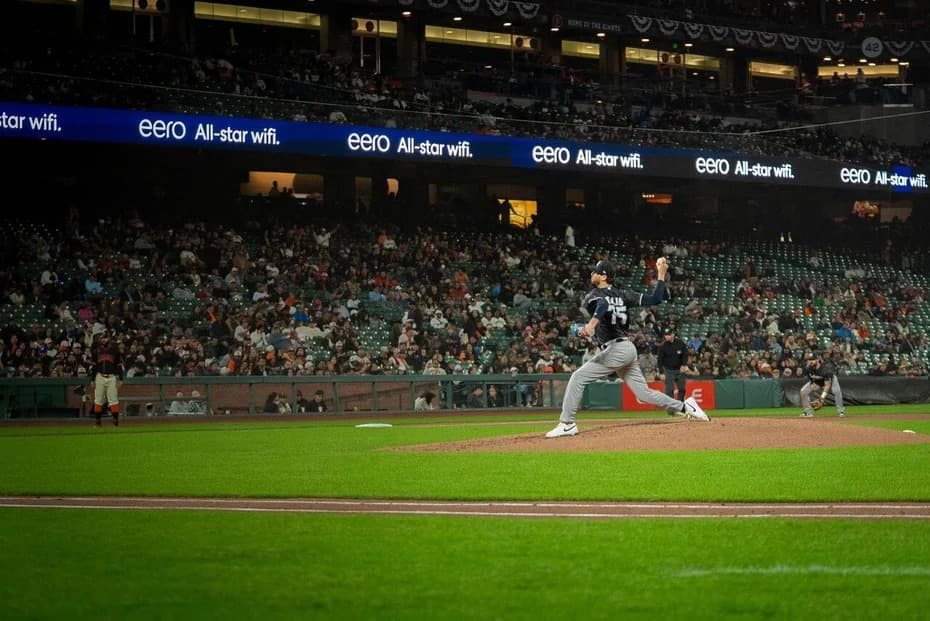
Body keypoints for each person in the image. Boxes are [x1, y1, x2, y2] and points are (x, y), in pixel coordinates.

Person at [546, 258, 709, 438]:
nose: (592, 273)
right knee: (644, 394)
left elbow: (603, 304)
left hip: (616, 350)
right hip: (627, 349)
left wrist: (590, 325)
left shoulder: (594, 294)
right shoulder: (624, 294)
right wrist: (661, 274)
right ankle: (686, 406)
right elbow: (656, 298)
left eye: (595, 271)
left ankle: (567, 423)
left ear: (604, 276)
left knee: (578, 377)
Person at [89, 331, 124, 427]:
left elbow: (119, 365)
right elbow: (94, 367)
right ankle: (98, 422)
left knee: (113, 400)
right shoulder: (96, 350)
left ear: (109, 338)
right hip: (99, 376)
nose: (104, 340)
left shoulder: (115, 350)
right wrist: (92, 379)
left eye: (105, 338)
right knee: (98, 400)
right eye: (102, 338)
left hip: (112, 377)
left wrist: (121, 378)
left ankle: (115, 422)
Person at [657, 326, 689, 416]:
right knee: (669, 390)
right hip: (668, 370)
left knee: (682, 389)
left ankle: (680, 407)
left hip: (679, 370)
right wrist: (661, 372)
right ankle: (671, 411)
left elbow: (685, 354)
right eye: (665, 335)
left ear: (673, 334)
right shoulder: (663, 346)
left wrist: (683, 365)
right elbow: (659, 360)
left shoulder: (680, 343)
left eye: (668, 335)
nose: (666, 336)